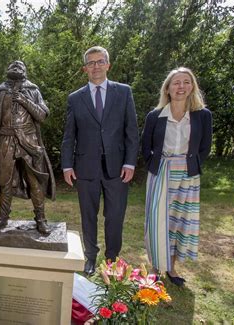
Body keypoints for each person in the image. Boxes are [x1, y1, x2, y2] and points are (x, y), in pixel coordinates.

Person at [61, 46, 139, 276]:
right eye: (91, 63)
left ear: (108, 64)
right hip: (85, 168)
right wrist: (67, 165)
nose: (96, 66)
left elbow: (131, 131)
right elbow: (69, 135)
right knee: (88, 216)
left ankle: (112, 260)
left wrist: (130, 162)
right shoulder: (75, 98)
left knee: (115, 216)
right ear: (85, 68)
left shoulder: (123, 92)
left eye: (100, 61)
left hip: (118, 169)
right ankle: (91, 257)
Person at [142, 67, 212, 286]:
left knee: (180, 222)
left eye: (186, 82)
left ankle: (171, 267)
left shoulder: (202, 115)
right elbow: (146, 146)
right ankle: (155, 267)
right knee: (157, 221)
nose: (181, 87)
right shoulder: (155, 116)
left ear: (192, 87)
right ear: (168, 88)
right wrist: (158, 163)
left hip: (188, 174)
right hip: (162, 171)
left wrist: (189, 164)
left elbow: (205, 147)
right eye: (176, 83)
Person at [0, 60, 55, 234]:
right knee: (4, 181)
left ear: (25, 71)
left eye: (20, 66)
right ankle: (2, 219)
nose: (16, 67)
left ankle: (41, 219)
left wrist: (24, 100)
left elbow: (42, 115)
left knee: (34, 181)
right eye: (12, 65)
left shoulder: (33, 91)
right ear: (7, 70)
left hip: (29, 141)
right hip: (6, 141)